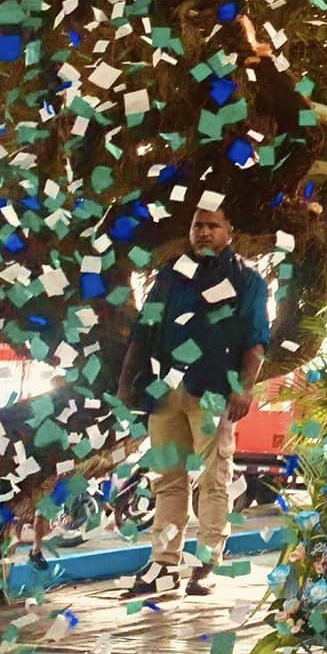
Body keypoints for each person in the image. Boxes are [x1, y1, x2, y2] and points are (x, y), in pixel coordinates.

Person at [117, 203, 270, 599]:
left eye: (212, 225)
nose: (203, 232)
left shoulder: (248, 280)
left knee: (213, 479)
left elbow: (256, 340)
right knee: (168, 479)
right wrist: (126, 382)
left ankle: (206, 565)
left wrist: (244, 387)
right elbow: (144, 330)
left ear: (229, 230)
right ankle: (164, 564)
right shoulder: (171, 275)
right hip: (164, 391)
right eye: (197, 225)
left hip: (214, 391)